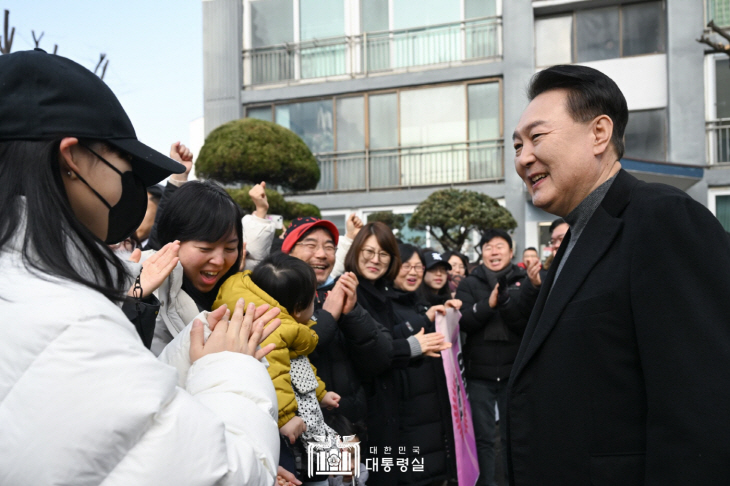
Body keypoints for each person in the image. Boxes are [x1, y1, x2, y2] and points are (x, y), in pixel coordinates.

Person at [0, 49, 281, 485]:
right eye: (124, 166)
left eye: (230, 246)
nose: (125, 185)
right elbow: (224, 475)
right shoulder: (69, 321)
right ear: (72, 160)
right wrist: (229, 364)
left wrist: (194, 346)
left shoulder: (32, 289)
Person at [507, 64, 730, 485]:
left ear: (599, 133)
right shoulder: (577, 235)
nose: (523, 159)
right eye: (516, 146)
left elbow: (703, 412)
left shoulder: (663, 219)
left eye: (536, 137)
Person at [214, 253, 341, 484]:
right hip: (282, 428)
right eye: (313, 300)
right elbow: (274, 373)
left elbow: (300, 369)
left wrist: (320, 393)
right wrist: (285, 418)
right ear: (298, 308)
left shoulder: (266, 313)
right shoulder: (273, 328)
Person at [343, 222, 450, 486]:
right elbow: (375, 352)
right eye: (368, 252)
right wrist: (415, 346)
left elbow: (385, 337)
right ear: (355, 251)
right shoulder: (350, 291)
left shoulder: (377, 293)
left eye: (383, 254)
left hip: (382, 412)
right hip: (354, 414)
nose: (375, 260)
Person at [282, 216, 391, 427]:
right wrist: (328, 317)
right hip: (302, 430)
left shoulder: (345, 293)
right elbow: (287, 356)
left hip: (352, 425)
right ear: (289, 251)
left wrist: (352, 314)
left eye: (329, 247)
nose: (321, 254)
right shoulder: (273, 295)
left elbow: (381, 358)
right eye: (311, 245)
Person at [455, 229, 540, 486]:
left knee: (512, 436)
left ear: (511, 252)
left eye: (499, 246)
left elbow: (527, 322)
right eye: (488, 246)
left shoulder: (523, 279)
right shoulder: (469, 283)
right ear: (481, 253)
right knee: (484, 438)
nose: (494, 251)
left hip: (515, 373)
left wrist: (534, 288)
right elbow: (464, 322)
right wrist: (488, 304)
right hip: (480, 375)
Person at [147, 179, 245, 355]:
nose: (219, 261)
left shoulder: (242, 296)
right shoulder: (148, 301)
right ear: (173, 241)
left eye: (230, 248)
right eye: (205, 248)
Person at [390, 244, 459, 485]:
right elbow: (387, 344)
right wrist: (425, 318)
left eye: (418, 266)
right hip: (407, 412)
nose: (413, 271)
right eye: (406, 265)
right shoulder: (386, 305)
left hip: (432, 408)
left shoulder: (420, 303)